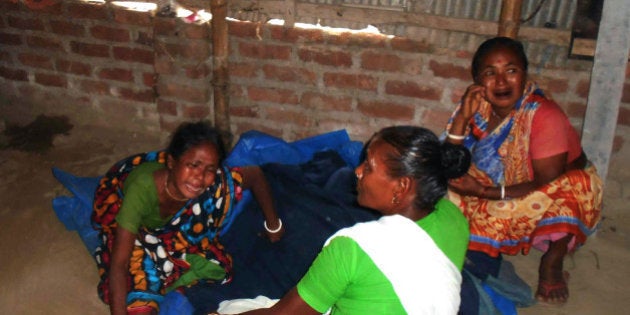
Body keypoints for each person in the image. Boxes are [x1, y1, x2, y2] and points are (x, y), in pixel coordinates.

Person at [213, 126, 471, 315]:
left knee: (234, 309)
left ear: (401, 187)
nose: (357, 172)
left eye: (368, 167)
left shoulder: (352, 248)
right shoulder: (454, 218)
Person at [444, 36, 603, 305]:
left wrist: (483, 191)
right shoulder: (477, 104)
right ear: (478, 81)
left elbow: (546, 182)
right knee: (440, 191)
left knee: (574, 191)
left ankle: (553, 258)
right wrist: (462, 118)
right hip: (504, 183)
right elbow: (449, 160)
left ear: (525, 75)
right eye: (490, 73)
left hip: (552, 188)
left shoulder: (543, 115)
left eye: (511, 71)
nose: (502, 82)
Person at [90, 121, 285, 315]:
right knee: (139, 296)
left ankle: (166, 274)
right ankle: (161, 276)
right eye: (193, 165)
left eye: (209, 169)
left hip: (171, 241)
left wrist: (274, 226)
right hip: (138, 235)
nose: (199, 178)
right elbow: (119, 263)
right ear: (172, 162)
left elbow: (255, 175)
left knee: (220, 267)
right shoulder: (142, 190)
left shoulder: (215, 183)